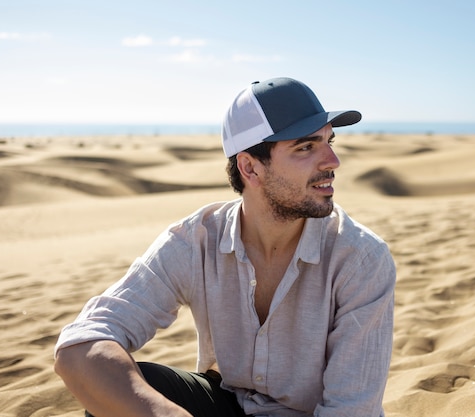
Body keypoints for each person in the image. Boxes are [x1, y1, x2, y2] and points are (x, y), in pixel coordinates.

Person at [54, 77, 396, 417]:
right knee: (120, 392)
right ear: (250, 167)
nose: (332, 161)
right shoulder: (196, 241)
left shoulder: (361, 259)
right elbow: (81, 344)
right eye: (306, 147)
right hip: (229, 406)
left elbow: (351, 411)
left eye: (328, 141)